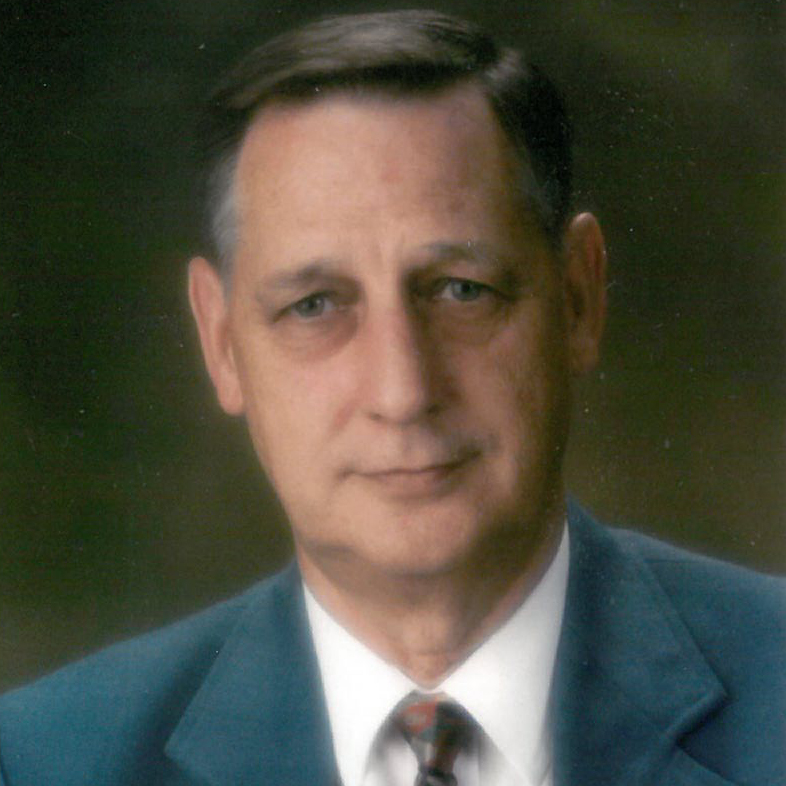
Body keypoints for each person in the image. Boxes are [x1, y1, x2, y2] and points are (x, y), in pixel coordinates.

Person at [0, 10, 783, 786]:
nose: (403, 392)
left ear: (578, 297)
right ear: (222, 343)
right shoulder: (40, 762)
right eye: (314, 305)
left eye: (461, 290)